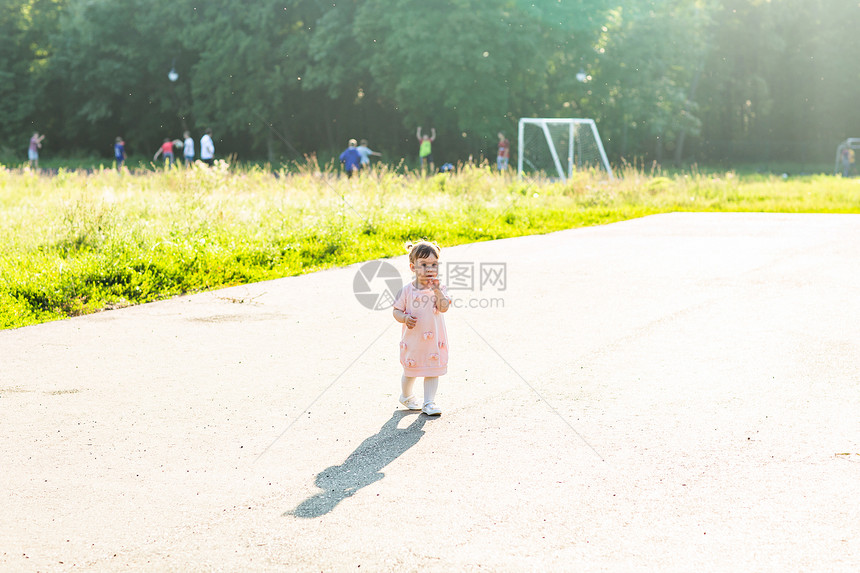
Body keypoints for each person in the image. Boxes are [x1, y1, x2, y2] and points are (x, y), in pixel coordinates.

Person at [392, 240, 451, 416]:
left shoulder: (439, 289)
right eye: (424, 265)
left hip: (434, 340)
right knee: (411, 371)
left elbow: (444, 308)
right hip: (414, 341)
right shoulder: (407, 291)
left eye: (434, 264)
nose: (429, 269)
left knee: (433, 370)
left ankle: (429, 402)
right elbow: (396, 311)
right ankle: (406, 395)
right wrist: (404, 318)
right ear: (413, 267)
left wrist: (438, 292)